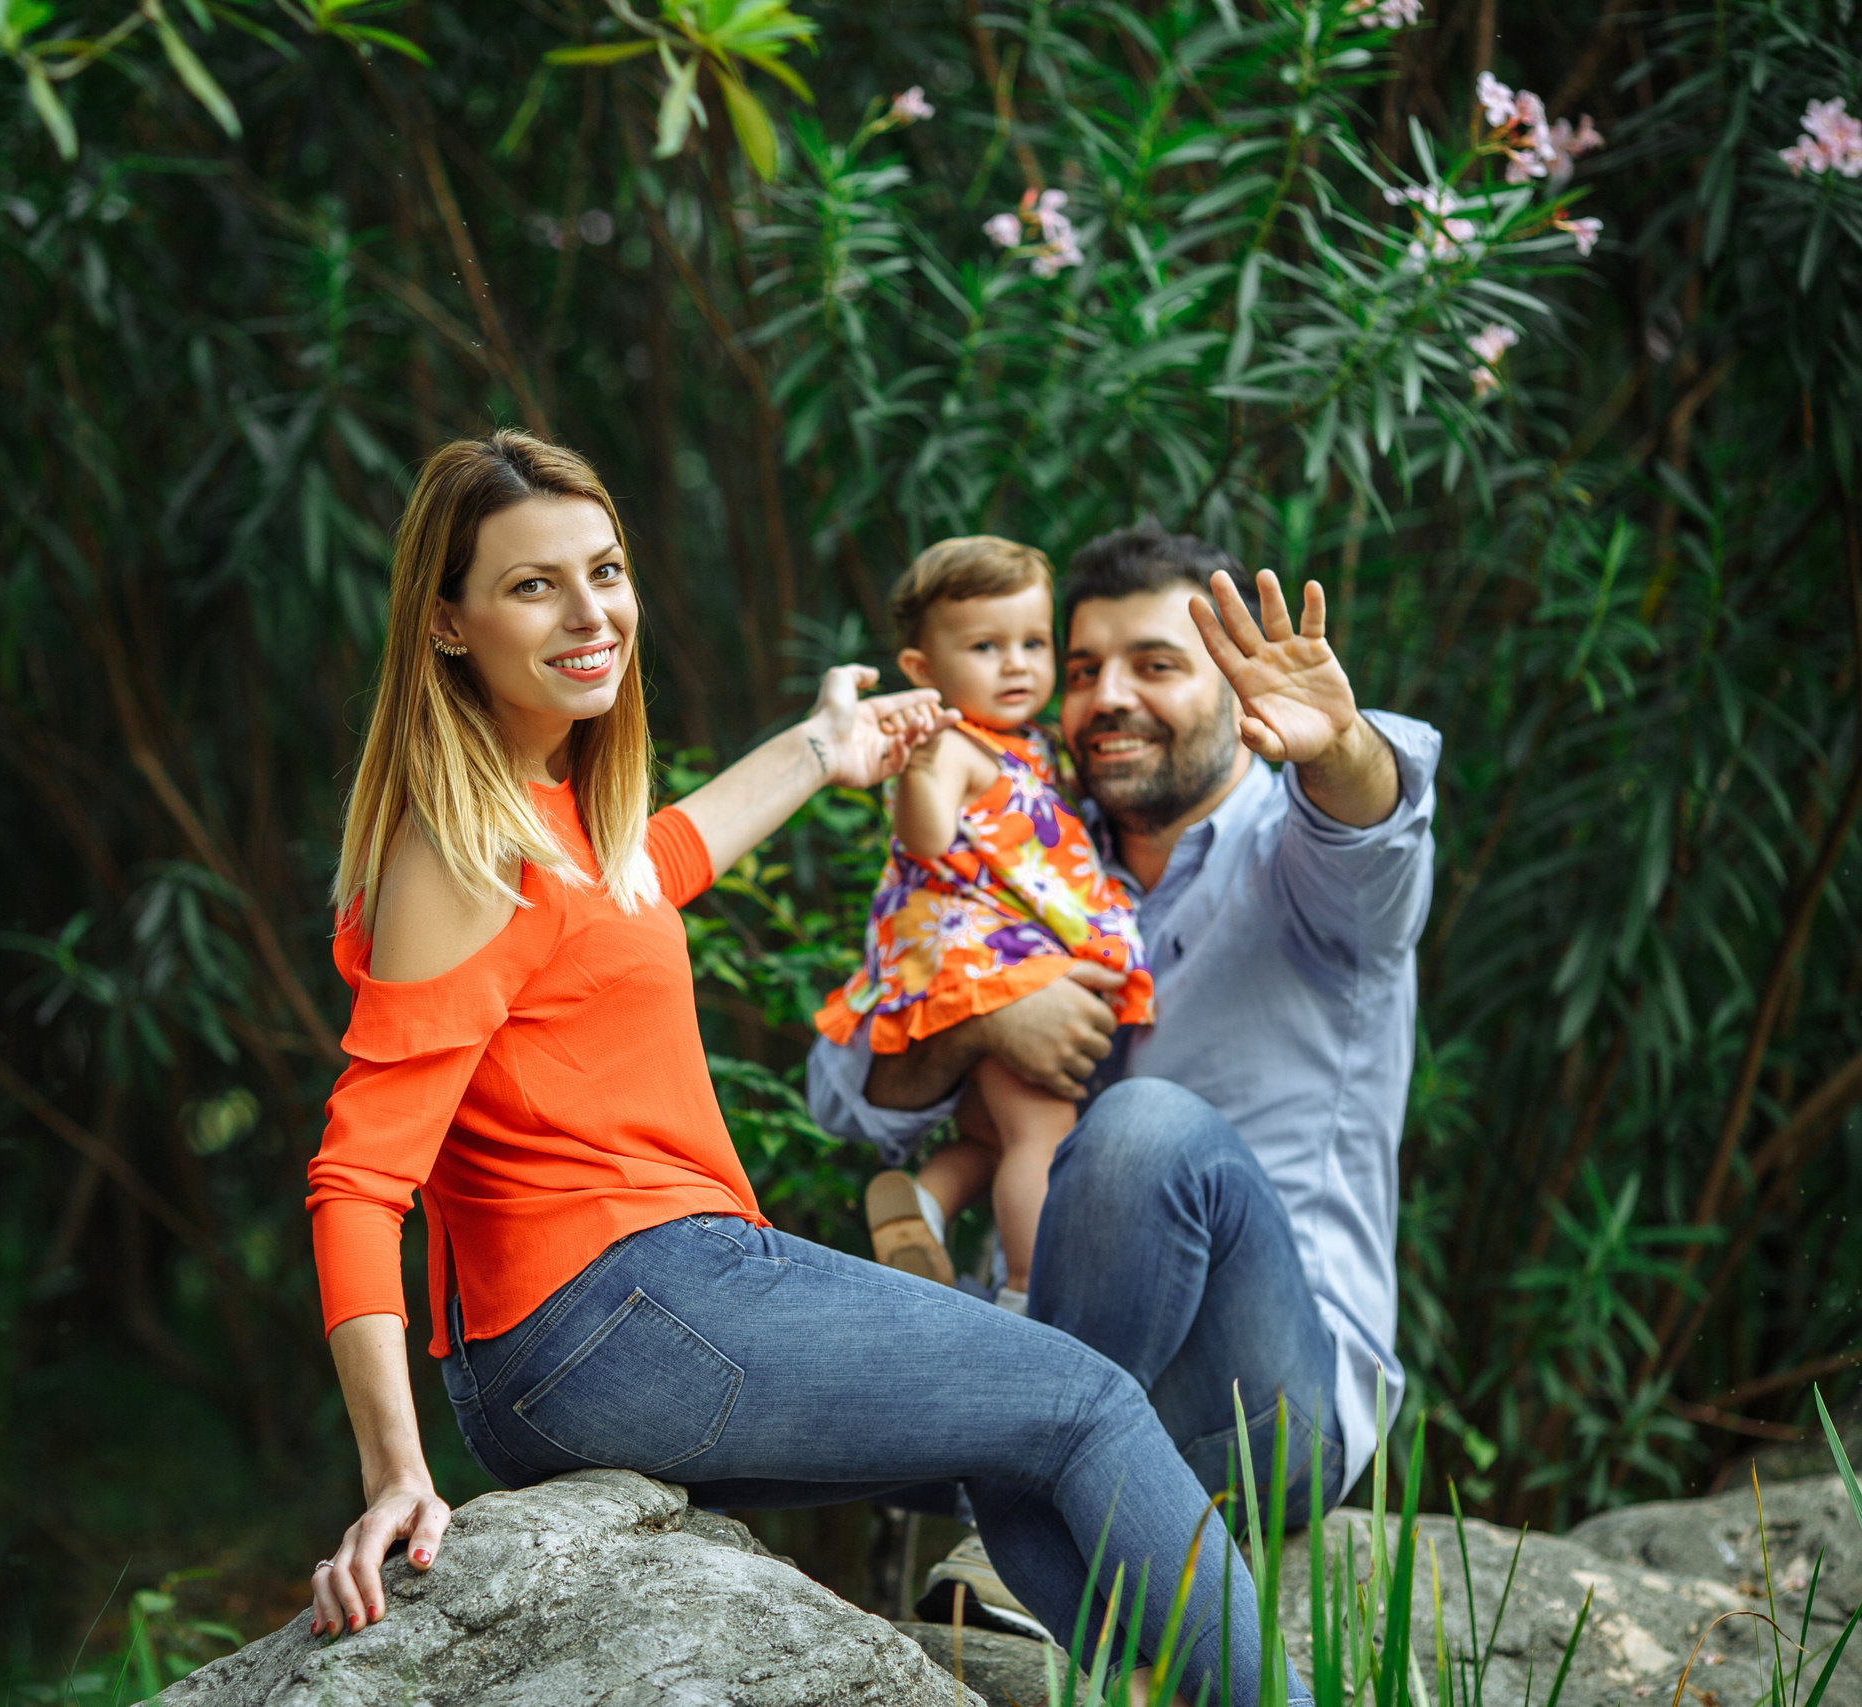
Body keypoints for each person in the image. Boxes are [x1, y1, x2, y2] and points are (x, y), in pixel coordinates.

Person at [304, 433, 1310, 1707]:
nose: (589, 612)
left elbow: (653, 870)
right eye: (531, 586)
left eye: (604, 571)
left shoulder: (544, 811)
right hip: (612, 1309)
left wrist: (821, 749)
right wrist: (394, 1470)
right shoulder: (458, 850)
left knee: (1021, 1447)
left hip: (608, 1323)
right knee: (1087, 1399)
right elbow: (357, 1173)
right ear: (446, 625)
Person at [809, 521, 1442, 1527]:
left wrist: (1340, 747)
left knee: (1145, 1130)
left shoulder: (1306, 861)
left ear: (1241, 691)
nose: (1107, 698)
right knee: (787, 1326)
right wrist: (989, 1023)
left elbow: (1374, 822)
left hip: (1263, 1401)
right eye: (1082, 669)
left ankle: (1012, 1523)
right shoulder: (1036, 856)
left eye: (1154, 666)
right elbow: (844, 1089)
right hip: (1061, 1369)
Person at [813, 537, 1153, 1313]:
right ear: (924, 672)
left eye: (1034, 643)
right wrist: (922, 766)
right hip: (990, 965)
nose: (1017, 665)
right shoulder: (954, 743)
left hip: (994, 960)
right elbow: (927, 838)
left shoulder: (1031, 746)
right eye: (986, 646)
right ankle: (1029, 1292)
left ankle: (923, 1201)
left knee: (998, 1131)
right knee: (1044, 1132)